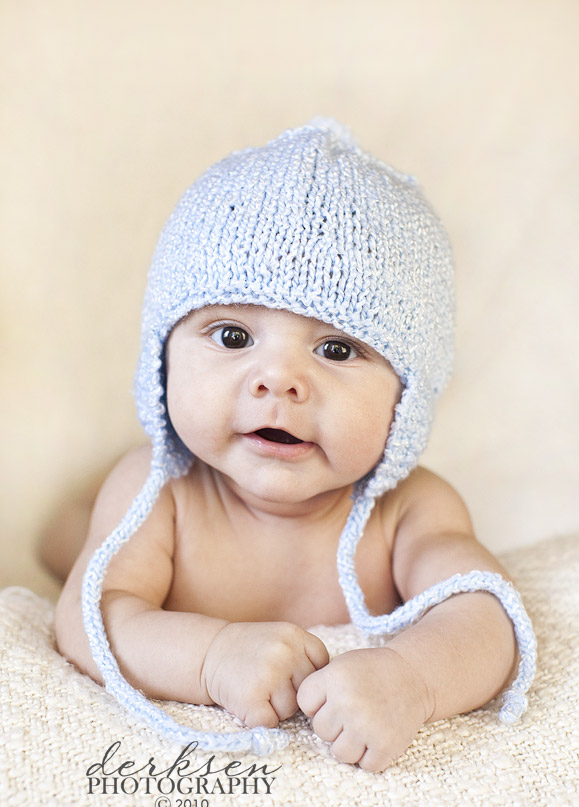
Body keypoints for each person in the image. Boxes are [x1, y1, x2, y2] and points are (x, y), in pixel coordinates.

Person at [52, 120, 536, 772]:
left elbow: (484, 615)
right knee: (74, 542)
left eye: (337, 348)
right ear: (162, 359)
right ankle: (69, 530)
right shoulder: (157, 489)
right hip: (120, 520)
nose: (277, 379)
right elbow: (90, 619)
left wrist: (412, 678)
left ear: (408, 395)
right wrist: (212, 655)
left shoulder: (409, 509)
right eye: (231, 336)